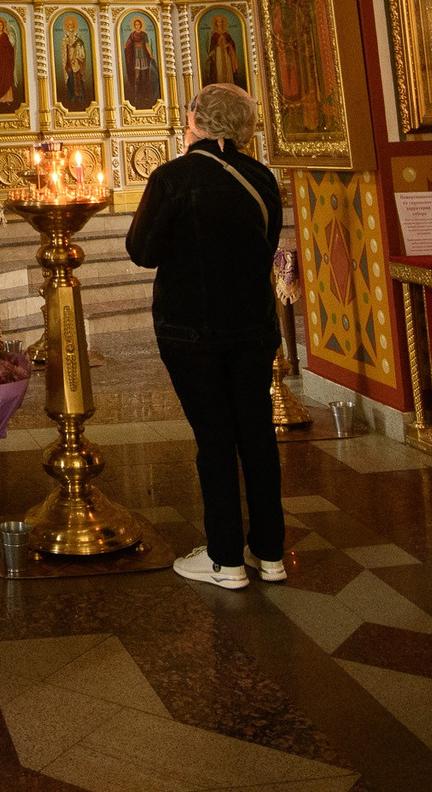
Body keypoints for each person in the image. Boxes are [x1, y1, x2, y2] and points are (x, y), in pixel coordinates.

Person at [126, 84, 287, 590]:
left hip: (190, 330)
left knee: (214, 438)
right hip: (254, 328)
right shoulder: (262, 177)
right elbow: (266, 242)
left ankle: (225, 559)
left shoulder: (172, 177)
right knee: (256, 433)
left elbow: (142, 251)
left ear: (193, 119)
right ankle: (270, 552)